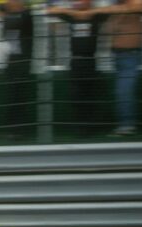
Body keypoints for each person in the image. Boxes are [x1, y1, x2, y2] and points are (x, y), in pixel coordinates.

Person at [48, 0, 109, 136]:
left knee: (90, 95)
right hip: (75, 61)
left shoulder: (96, 16)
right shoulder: (72, 16)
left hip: (90, 60)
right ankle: (80, 126)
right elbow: (51, 10)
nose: (78, 2)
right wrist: (73, 13)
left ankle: (90, 127)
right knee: (76, 95)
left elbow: (111, 10)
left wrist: (91, 12)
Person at [0, 0, 35, 139]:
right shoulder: (9, 16)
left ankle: (22, 131)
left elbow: (16, 23)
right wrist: (2, 13)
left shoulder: (27, 15)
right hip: (11, 62)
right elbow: (3, 33)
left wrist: (1, 14)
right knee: (11, 97)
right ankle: (11, 130)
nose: (9, 3)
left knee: (20, 97)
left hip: (23, 63)